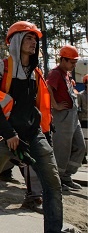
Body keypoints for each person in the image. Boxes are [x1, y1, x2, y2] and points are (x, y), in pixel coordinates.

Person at [0, 21, 62, 233]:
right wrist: (8, 133)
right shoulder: (1, 67)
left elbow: (37, 107)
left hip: (33, 135)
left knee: (53, 184)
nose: (33, 42)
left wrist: (45, 134)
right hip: (4, 135)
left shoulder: (35, 73)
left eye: (35, 39)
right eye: (28, 38)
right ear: (15, 41)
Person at [46, 45, 85, 191]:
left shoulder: (66, 74)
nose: (74, 66)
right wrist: (55, 105)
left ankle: (67, 176)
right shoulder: (55, 73)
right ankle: (59, 180)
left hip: (73, 116)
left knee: (80, 146)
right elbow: (47, 88)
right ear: (62, 60)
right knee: (62, 149)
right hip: (62, 117)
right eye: (72, 62)